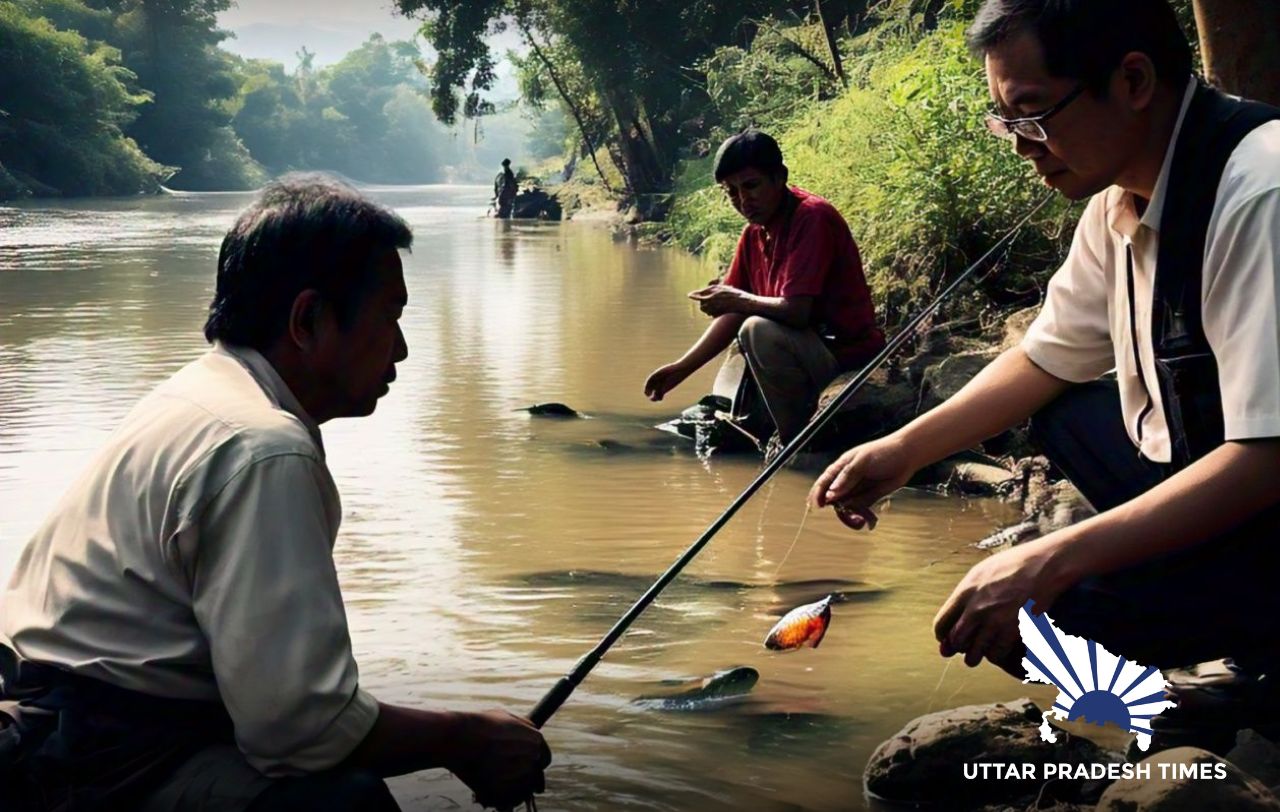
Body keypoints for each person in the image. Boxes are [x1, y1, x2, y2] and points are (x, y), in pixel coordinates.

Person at [809, 0, 1280, 751]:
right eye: (1005, 120)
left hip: (1262, 491)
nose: (1021, 146)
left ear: (1132, 80)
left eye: (1032, 113)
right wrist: (902, 451)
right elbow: (1043, 359)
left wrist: (1049, 557)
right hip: (1235, 488)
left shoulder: (1261, 192)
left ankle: (1254, 668)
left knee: (1040, 612)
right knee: (1063, 414)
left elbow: (1267, 460)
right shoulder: (1120, 199)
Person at [0, 174, 550, 810]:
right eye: (389, 316)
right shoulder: (264, 448)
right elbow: (300, 733)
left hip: (50, 726)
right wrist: (466, 738)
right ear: (309, 319)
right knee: (342, 801)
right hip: (95, 760)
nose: (400, 348)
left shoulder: (201, 392)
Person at [643, 130, 885, 445]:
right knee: (742, 339)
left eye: (751, 186)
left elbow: (797, 312)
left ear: (779, 178)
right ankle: (766, 425)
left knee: (757, 330)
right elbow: (731, 314)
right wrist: (681, 369)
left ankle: (795, 441)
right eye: (731, 192)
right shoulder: (754, 235)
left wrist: (738, 299)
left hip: (845, 360)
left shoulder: (812, 218)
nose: (743, 200)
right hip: (806, 355)